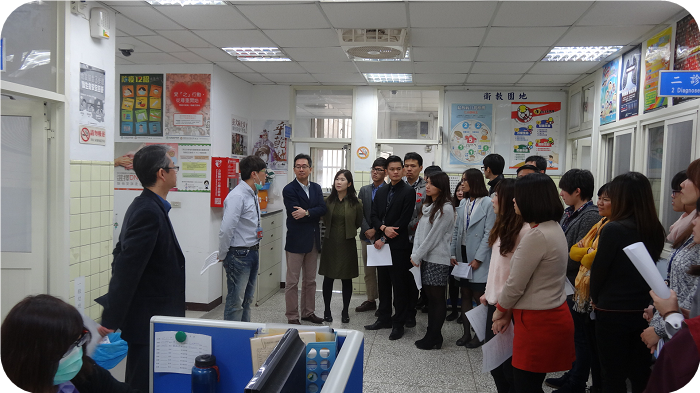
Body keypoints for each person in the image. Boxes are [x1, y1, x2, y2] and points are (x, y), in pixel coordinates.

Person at [96, 144, 185, 393]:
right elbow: (126, 267)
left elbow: (120, 253)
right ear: (161, 173)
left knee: (150, 379)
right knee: (142, 381)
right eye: (173, 167)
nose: (175, 171)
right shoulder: (147, 211)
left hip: (154, 315)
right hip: (149, 319)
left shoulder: (149, 206)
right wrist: (111, 318)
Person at [491, 173, 574, 393]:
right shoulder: (552, 227)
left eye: (518, 196)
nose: (514, 200)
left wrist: (500, 310)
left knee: (525, 384)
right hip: (546, 315)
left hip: (538, 321)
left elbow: (515, 283)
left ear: (532, 199)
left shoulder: (536, 236)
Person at [589, 172, 666, 393]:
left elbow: (600, 270)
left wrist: (595, 298)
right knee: (640, 370)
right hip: (644, 309)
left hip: (612, 309)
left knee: (612, 373)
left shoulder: (614, 228)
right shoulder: (654, 229)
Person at [0, 295, 139, 393]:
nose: (76, 352)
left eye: (80, 340)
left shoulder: (85, 373)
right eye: (68, 346)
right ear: (32, 353)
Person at [547, 169, 599, 393]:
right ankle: (571, 374)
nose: (561, 193)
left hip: (577, 284)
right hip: (564, 281)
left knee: (581, 337)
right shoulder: (569, 213)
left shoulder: (590, 216)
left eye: (564, 189)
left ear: (578, 191)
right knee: (573, 336)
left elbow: (578, 252)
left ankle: (577, 381)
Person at [479, 178, 529, 393]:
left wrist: (504, 309)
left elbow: (517, 277)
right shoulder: (502, 226)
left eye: (497, 195)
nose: (493, 199)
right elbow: (498, 268)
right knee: (496, 366)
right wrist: (487, 292)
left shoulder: (525, 231)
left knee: (509, 368)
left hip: (509, 307)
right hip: (495, 302)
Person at [365, 155, 418, 341]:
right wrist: (382, 229)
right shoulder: (381, 191)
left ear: (403, 170)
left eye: (398, 169)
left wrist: (385, 236)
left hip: (398, 246)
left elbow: (403, 221)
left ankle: (398, 323)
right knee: (383, 283)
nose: (395, 172)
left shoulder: (408, 191)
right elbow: (373, 215)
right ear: (386, 171)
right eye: (391, 169)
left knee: (399, 285)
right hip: (381, 242)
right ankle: (384, 318)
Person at [567, 183, 612, 393]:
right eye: (600, 198)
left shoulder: (604, 223)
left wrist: (586, 251)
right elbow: (575, 251)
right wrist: (586, 252)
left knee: (588, 342)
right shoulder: (600, 222)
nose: (601, 202)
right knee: (580, 338)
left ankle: (579, 382)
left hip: (593, 293)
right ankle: (575, 377)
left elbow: (589, 257)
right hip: (581, 288)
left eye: (606, 199)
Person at [217, 155, 268, 322]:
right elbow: (226, 229)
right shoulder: (237, 196)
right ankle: (231, 340)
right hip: (238, 254)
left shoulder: (252, 193)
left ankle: (245, 335)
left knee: (247, 300)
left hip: (252, 251)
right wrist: (223, 254)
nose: (265, 176)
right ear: (254, 174)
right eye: (263, 172)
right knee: (235, 302)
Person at [410, 171, 455, 350]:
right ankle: (433, 334)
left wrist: (417, 255)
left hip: (438, 259)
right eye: (427, 182)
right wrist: (417, 255)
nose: (427, 186)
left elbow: (433, 237)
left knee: (437, 300)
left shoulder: (446, 208)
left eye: (431, 184)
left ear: (441, 187)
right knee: (430, 298)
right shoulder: (429, 205)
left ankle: (434, 336)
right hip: (426, 258)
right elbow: (420, 234)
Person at [451, 168, 495, 349]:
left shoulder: (487, 203)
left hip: (478, 257)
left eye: (465, 180)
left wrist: (479, 258)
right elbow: (456, 230)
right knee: (465, 294)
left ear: (475, 182)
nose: (462, 184)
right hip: (462, 254)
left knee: (479, 296)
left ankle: (480, 334)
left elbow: (489, 234)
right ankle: (466, 332)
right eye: (462, 180)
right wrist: (452, 253)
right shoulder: (463, 204)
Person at [282, 154, 327, 325]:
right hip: (295, 241)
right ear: (294, 169)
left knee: (310, 280)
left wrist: (307, 212)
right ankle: (292, 316)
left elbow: (322, 209)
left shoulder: (316, 188)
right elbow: (295, 215)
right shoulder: (289, 189)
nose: (301, 169)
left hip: (313, 240)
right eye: (298, 166)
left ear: (311, 169)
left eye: (305, 166)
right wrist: (312, 212)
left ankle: (308, 312)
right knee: (292, 282)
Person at [319, 170, 363, 323]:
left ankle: (345, 310)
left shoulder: (356, 203)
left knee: (346, 278)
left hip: (347, 243)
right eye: (337, 179)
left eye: (342, 179)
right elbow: (324, 219)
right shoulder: (327, 201)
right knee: (328, 277)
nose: (338, 182)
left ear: (349, 184)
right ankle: (326, 309)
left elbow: (358, 222)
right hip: (330, 242)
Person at [356, 158, 388, 314]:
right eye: (373, 169)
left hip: (383, 238)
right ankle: (370, 300)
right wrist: (367, 229)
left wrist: (376, 229)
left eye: (379, 169)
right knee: (369, 272)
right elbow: (360, 213)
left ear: (386, 172)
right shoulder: (364, 190)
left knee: (383, 273)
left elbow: (389, 214)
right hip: (366, 237)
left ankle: (384, 302)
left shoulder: (390, 190)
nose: (375, 172)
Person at [404, 152, 426, 319]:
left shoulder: (426, 187)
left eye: (413, 166)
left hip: (419, 240)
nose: (409, 169)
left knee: (413, 279)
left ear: (420, 168)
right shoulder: (397, 185)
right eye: (407, 166)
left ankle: (411, 313)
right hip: (399, 238)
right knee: (399, 277)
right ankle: (400, 312)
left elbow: (425, 215)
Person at [447, 181, 465, 322]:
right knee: (452, 283)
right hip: (450, 250)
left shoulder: (469, 207)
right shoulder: (450, 208)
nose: (460, 192)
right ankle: (453, 310)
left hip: (463, 251)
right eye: (458, 190)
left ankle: (465, 313)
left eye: (462, 190)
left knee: (464, 284)